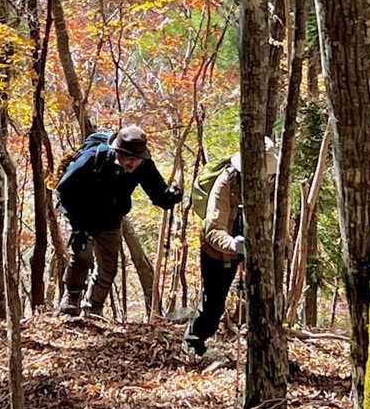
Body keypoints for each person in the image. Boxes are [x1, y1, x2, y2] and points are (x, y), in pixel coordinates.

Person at [55, 125, 182, 317]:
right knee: (82, 256)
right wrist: (77, 227)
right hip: (82, 215)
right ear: (117, 152)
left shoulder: (144, 166)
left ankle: (93, 309)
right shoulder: (92, 159)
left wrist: (171, 196)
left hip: (111, 218)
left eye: (137, 158)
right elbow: (64, 190)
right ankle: (71, 299)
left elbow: (158, 194)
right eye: (128, 157)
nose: (132, 162)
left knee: (108, 267)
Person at [184, 137, 277, 356]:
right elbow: (213, 229)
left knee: (262, 302)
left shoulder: (274, 182)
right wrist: (233, 245)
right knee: (213, 304)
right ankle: (193, 342)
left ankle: (266, 353)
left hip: (257, 249)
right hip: (219, 251)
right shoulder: (226, 182)